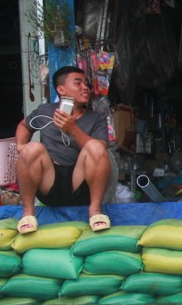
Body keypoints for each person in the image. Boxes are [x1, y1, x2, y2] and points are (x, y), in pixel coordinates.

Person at [15, 65, 111, 234]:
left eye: (86, 84)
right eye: (78, 83)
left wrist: (72, 129)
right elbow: (24, 125)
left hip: (80, 183)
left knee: (95, 146)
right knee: (32, 149)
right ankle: (28, 214)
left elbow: (101, 149)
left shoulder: (96, 118)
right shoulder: (45, 111)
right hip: (49, 183)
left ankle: (95, 212)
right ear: (61, 89)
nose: (85, 88)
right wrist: (21, 145)